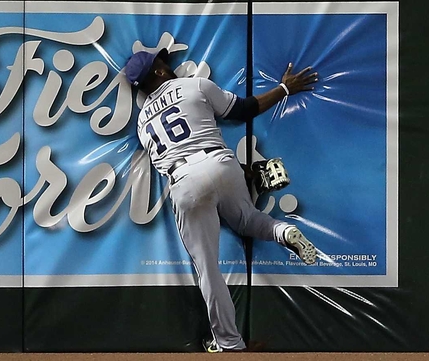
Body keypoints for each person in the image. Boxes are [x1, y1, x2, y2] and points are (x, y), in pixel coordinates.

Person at [123, 48, 318, 352]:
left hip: (183, 179)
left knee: (208, 269)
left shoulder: (143, 121)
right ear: (159, 72)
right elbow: (243, 109)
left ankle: (229, 343)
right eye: (163, 62)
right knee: (249, 220)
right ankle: (283, 231)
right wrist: (284, 88)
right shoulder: (193, 85)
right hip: (220, 161)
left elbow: (178, 160)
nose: (168, 64)